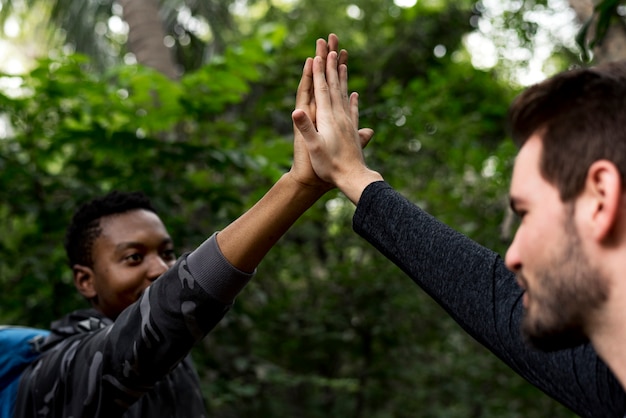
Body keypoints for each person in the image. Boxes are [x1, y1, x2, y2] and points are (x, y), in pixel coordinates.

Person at [13, 35, 372, 417]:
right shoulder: (53, 374)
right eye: (133, 258)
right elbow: (151, 329)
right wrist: (297, 186)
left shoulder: (176, 365)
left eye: (167, 253)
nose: (159, 269)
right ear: (85, 280)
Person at [292, 44, 626, 417]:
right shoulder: (613, 383)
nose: (512, 256)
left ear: (601, 198)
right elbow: (492, 296)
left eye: (527, 214)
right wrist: (353, 177)